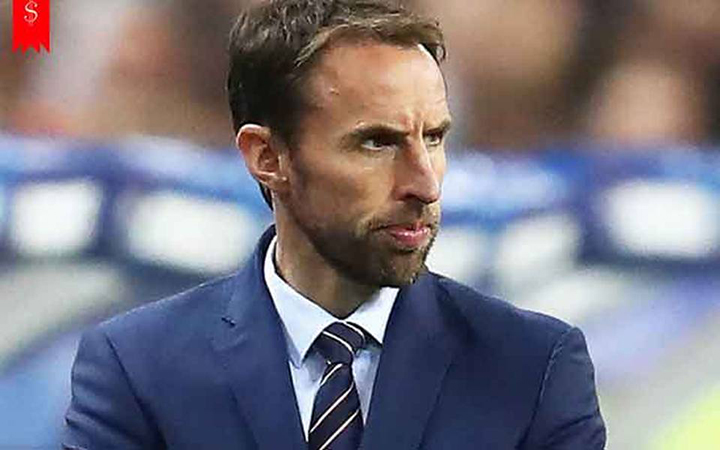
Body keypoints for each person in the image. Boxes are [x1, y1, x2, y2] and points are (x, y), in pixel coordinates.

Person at [63, 0, 606, 449]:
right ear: (267, 157)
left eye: (434, 138)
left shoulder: (534, 369)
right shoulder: (137, 370)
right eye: (377, 142)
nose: (426, 183)